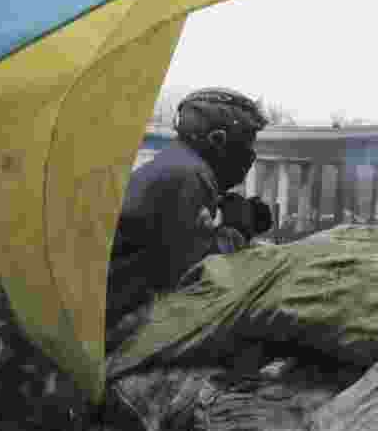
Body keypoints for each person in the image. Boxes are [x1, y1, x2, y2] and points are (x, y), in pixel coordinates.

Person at [106, 87, 273, 326]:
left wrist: (228, 217)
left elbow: (174, 245)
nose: (250, 153)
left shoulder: (177, 163)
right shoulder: (191, 174)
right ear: (217, 139)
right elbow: (195, 279)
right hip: (123, 316)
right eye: (247, 141)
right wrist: (237, 230)